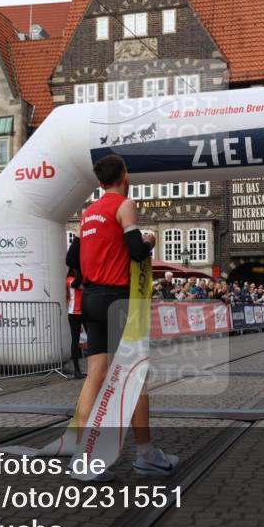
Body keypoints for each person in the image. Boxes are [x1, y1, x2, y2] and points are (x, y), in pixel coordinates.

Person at [65, 154, 178, 480]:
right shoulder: (123, 204)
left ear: (99, 182)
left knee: (95, 376)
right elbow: (136, 251)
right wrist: (150, 240)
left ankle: (82, 459)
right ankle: (145, 454)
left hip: (91, 299)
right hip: (117, 298)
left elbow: (71, 256)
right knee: (134, 376)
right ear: (124, 176)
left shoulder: (88, 212)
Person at [66, 268, 85, 380]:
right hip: (74, 313)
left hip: (85, 312)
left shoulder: (81, 280)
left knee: (93, 338)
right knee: (75, 341)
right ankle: (77, 370)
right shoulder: (70, 279)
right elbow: (77, 284)